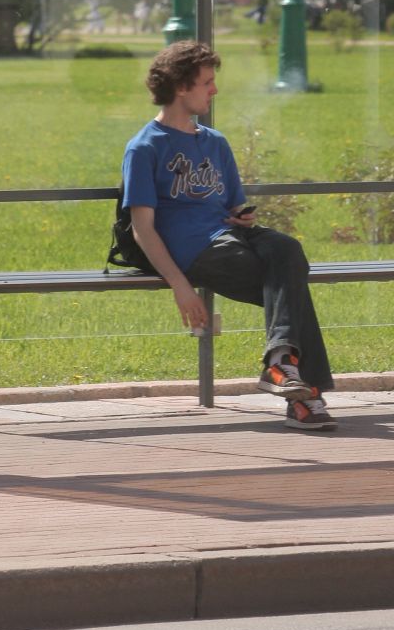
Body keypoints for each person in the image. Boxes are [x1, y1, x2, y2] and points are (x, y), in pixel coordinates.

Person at [122, 41, 336, 429]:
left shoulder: (215, 142)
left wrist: (242, 217)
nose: (214, 90)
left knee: (287, 249)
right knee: (292, 288)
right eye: (207, 82)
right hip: (196, 252)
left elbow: (233, 205)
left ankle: (282, 367)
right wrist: (180, 286)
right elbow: (142, 228)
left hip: (231, 237)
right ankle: (304, 397)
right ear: (181, 86)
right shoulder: (144, 148)